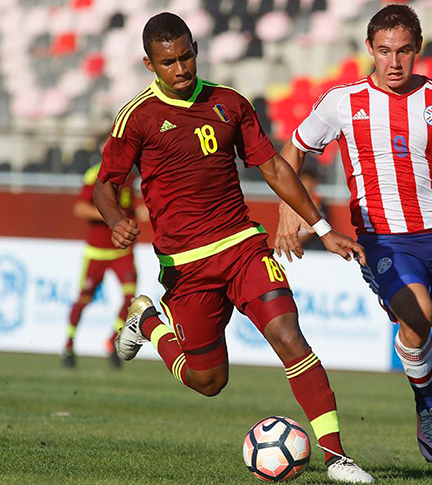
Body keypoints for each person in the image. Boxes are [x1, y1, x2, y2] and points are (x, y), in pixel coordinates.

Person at [93, 13, 373, 483]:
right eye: (168, 63)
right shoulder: (137, 117)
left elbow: (275, 169)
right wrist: (117, 219)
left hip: (242, 246)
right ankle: (149, 322)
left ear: (196, 49)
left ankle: (337, 456)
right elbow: (106, 185)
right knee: (208, 381)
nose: (180, 69)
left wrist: (322, 228)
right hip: (185, 266)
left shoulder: (230, 103)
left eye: (186, 57)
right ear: (149, 64)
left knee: (289, 335)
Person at [275, 4, 432, 476]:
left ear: (418, 51)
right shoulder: (343, 101)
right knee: (417, 314)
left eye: (405, 51)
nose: (394, 62)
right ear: (370, 49)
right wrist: (288, 208)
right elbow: (294, 149)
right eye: (385, 51)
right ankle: (426, 403)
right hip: (385, 238)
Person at [62, 150, 144, 369]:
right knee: (84, 299)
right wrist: (113, 216)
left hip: (121, 250)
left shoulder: (131, 176)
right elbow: (80, 208)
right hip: (97, 251)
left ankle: (111, 342)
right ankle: (68, 345)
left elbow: (132, 206)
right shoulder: (95, 174)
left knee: (131, 300)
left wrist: (140, 211)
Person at [296, 165, 328, 251]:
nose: (305, 184)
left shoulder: (318, 204)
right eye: (303, 180)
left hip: (315, 249)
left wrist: (297, 240)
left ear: (314, 182)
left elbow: (316, 226)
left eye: (307, 180)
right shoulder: (296, 203)